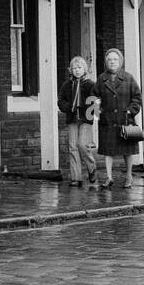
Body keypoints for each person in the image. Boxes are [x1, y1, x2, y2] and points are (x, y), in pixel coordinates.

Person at [95, 47, 143, 188]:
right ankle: (109, 177)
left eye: (115, 59)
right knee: (108, 151)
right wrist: (99, 114)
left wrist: (129, 111)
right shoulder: (101, 79)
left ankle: (129, 176)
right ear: (106, 62)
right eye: (109, 60)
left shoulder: (128, 78)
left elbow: (137, 98)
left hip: (126, 120)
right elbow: (94, 97)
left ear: (120, 61)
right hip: (107, 121)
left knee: (127, 151)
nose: (112, 62)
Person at [57, 56, 98, 187]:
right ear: (71, 70)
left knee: (82, 145)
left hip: (85, 119)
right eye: (74, 68)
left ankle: (92, 168)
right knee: (73, 147)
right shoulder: (67, 85)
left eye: (79, 68)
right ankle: (76, 177)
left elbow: (95, 100)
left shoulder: (90, 84)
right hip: (72, 118)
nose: (77, 70)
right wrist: (68, 107)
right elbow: (61, 100)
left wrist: (91, 114)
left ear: (84, 69)